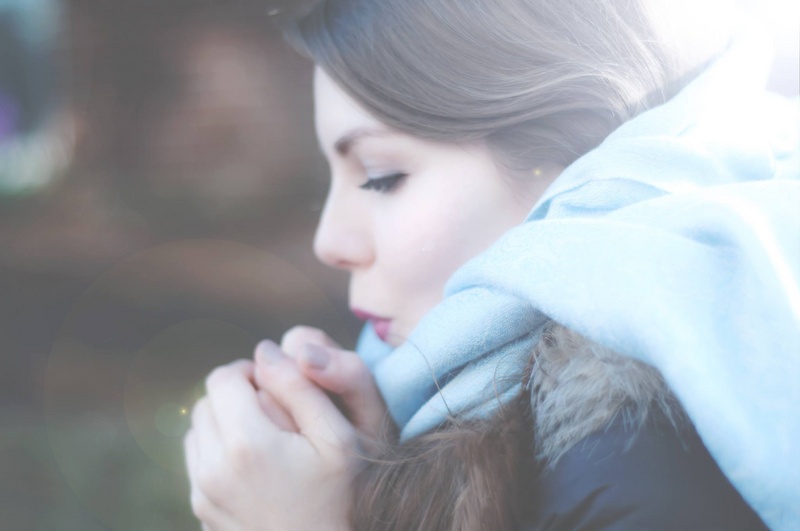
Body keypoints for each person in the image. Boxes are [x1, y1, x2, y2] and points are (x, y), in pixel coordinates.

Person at [183, 0, 799, 529]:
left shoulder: (644, 460)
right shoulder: (474, 401)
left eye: (380, 177)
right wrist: (382, 476)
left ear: (584, 164)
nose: (330, 241)